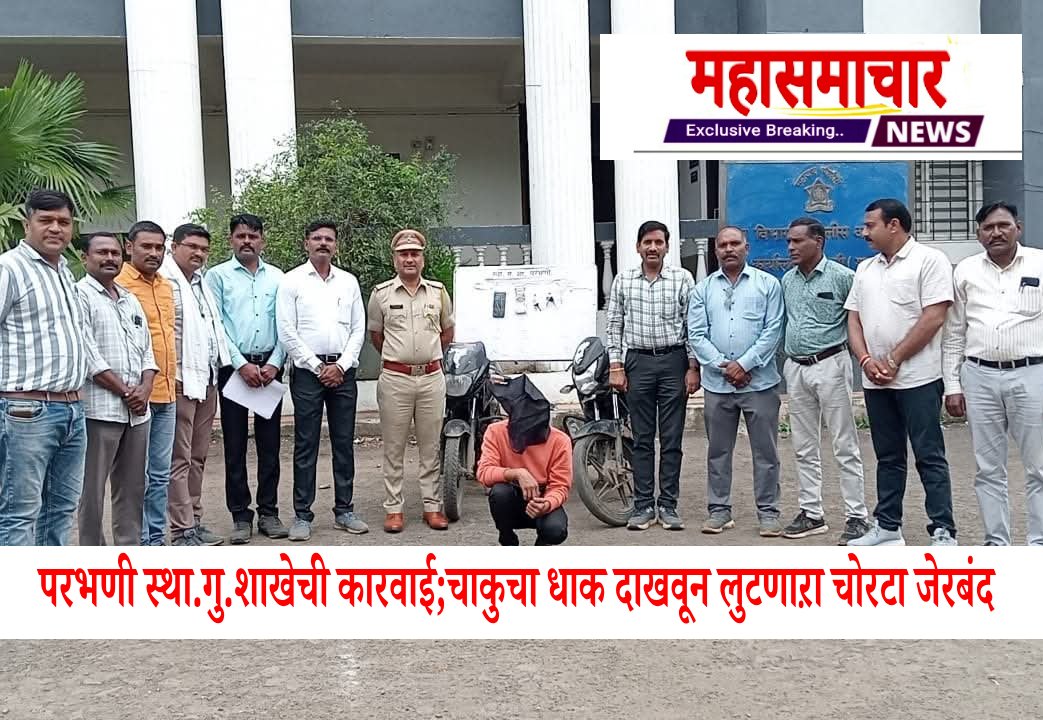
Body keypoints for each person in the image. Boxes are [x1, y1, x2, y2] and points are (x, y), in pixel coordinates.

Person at [846, 198, 957, 547]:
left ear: (893, 225)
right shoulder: (865, 268)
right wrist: (866, 360)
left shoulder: (930, 260)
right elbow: (853, 319)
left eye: (870, 226)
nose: (864, 233)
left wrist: (893, 360)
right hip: (875, 381)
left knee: (929, 455)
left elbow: (934, 317)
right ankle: (887, 527)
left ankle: (943, 530)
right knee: (888, 456)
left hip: (918, 378)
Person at [943, 201, 1043, 546]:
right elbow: (954, 333)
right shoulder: (966, 271)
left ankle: (1038, 544)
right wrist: (952, 385)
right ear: (978, 234)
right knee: (988, 469)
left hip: (1032, 374)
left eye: (1003, 225)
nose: (996, 233)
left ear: (1019, 228)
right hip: (979, 377)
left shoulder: (1040, 263)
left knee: (1039, 467)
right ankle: (996, 543)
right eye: (988, 227)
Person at [0, 189, 87, 546]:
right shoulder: (9, 268)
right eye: (46, 220)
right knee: (19, 513)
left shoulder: (64, 272)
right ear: (27, 224)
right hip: (25, 411)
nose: (55, 228)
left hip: (72, 410)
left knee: (61, 510)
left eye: (63, 221)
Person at [688, 226, 785, 537]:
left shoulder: (767, 284)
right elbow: (696, 335)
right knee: (718, 452)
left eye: (735, 244)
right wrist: (724, 367)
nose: (729, 249)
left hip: (759, 383)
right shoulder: (703, 289)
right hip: (718, 386)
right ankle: (719, 510)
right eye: (723, 245)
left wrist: (744, 365)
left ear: (747, 247)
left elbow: (773, 330)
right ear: (716, 250)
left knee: (766, 452)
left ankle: (768, 512)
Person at [779, 217, 869, 545]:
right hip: (796, 368)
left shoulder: (843, 277)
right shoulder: (787, 280)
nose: (790, 247)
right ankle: (811, 513)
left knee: (844, 443)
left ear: (818, 241)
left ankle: (857, 516)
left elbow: (860, 321)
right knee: (803, 445)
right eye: (788, 241)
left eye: (797, 241)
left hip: (831, 364)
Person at [605, 220, 700, 532]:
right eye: (647, 242)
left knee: (671, 439)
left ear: (667, 247)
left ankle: (668, 505)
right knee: (642, 439)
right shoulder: (624, 280)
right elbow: (614, 324)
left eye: (659, 242)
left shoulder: (682, 279)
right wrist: (616, 366)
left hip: (673, 362)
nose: (653, 248)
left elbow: (691, 326)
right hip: (638, 363)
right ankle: (643, 505)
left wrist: (692, 367)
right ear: (638, 247)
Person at [276, 219, 368, 542]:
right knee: (306, 443)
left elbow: (358, 329)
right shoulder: (291, 282)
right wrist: (318, 367)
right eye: (317, 238)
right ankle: (302, 515)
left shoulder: (348, 282)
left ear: (335, 245)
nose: (323, 243)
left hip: (343, 372)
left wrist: (340, 365)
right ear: (306, 243)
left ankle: (344, 510)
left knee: (344, 442)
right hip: (307, 373)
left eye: (329, 239)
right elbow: (286, 331)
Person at [206, 213, 289, 544]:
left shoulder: (279, 278)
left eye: (253, 236)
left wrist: (275, 363)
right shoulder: (217, 277)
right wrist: (240, 365)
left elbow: (286, 324)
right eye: (241, 236)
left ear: (262, 241)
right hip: (234, 369)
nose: (247, 241)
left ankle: (269, 512)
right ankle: (240, 515)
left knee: (270, 446)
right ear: (231, 240)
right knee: (235, 444)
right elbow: (217, 323)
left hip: (270, 369)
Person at [368, 229, 455, 533]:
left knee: (430, 448)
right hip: (396, 379)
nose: (409, 259)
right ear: (394, 259)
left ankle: (432, 506)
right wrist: (402, 359)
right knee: (394, 448)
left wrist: (426, 358)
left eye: (415, 253)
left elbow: (447, 332)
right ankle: (394, 509)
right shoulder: (381, 294)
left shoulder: (438, 292)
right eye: (403, 254)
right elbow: (376, 336)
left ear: (422, 258)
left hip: (431, 378)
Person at [76, 232, 157, 546]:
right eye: (102, 252)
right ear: (85, 257)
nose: (110, 258)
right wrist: (126, 391)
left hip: (137, 413)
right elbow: (88, 355)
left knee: (133, 488)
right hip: (100, 410)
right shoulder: (79, 296)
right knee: (92, 490)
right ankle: (93, 557)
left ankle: (128, 552)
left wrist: (145, 388)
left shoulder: (129, 298)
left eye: (115, 253)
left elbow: (147, 351)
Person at [160, 223, 231, 546]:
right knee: (180, 457)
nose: (198, 253)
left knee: (198, 456)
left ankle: (195, 520)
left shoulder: (202, 282)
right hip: (179, 379)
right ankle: (181, 529)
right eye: (192, 246)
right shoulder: (164, 281)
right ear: (174, 247)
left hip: (207, 379)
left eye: (203, 249)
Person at [117, 220, 178, 546]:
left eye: (159, 247)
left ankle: (156, 539)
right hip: (137, 395)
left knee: (160, 474)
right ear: (129, 247)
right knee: (135, 476)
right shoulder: (118, 285)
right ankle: (138, 542)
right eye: (147, 246)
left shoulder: (165, 286)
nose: (154, 253)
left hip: (167, 393)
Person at [476, 375, 571, 546]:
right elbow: (484, 473)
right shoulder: (496, 432)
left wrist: (547, 503)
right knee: (499, 492)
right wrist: (517, 474)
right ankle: (507, 537)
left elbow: (560, 486)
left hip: (541, 498)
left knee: (556, 530)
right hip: (511, 500)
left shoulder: (559, 440)